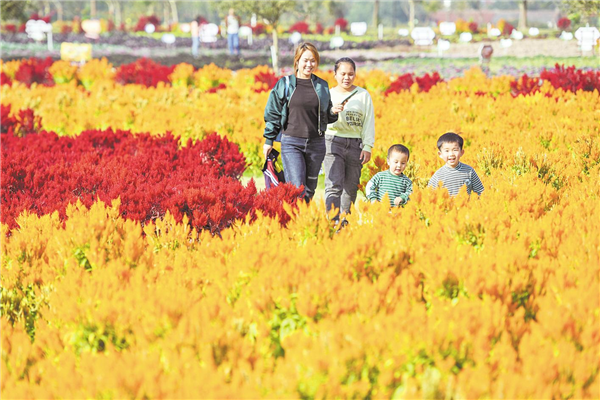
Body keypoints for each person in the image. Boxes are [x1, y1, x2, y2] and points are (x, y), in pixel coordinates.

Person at [263, 42, 343, 202]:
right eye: (305, 60)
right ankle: (295, 222)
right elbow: (273, 112)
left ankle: (303, 222)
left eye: (313, 60)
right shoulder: (284, 84)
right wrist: (268, 140)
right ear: (297, 61)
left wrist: (333, 112)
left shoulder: (321, 85)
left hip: (316, 144)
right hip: (291, 143)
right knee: (297, 188)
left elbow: (325, 116)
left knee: (309, 190)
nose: (309, 64)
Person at [324, 57, 375, 221]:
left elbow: (369, 121)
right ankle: (333, 221)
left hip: (355, 145)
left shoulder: (363, 95)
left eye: (351, 74)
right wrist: (331, 111)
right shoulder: (328, 94)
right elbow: (319, 119)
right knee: (333, 185)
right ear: (335, 74)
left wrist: (367, 146)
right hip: (332, 142)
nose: (347, 77)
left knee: (351, 187)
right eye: (343, 74)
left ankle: (344, 222)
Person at [427, 132, 484, 196]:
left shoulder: (469, 171)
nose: (451, 154)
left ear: (461, 152)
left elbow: (480, 192)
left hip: (467, 205)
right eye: (447, 151)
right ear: (440, 154)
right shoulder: (438, 175)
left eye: (455, 150)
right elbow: (429, 195)